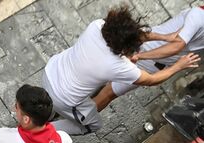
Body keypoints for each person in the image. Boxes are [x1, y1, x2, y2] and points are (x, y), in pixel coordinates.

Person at [42, 5, 200, 135]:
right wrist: (177, 67)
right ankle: (43, 131)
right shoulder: (119, 66)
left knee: (65, 95)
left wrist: (165, 37)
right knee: (93, 125)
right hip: (63, 99)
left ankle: (44, 112)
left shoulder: (97, 26)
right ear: (124, 48)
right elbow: (152, 80)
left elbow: (131, 33)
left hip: (49, 73)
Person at [94, 6, 204, 112]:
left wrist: (140, 56)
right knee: (99, 78)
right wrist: (140, 55)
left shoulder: (198, 15)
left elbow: (177, 45)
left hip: (148, 61)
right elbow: (176, 45)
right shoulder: (198, 15)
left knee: (108, 92)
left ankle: (81, 120)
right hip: (138, 46)